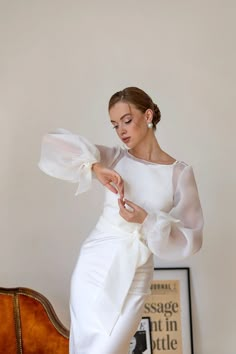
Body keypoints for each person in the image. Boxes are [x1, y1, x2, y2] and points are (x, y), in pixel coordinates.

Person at [38, 87, 203, 354]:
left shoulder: (179, 173)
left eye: (127, 120)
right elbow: (52, 145)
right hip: (93, 265)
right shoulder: (113, 157)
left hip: (136, 271)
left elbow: (192, 237)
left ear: (147, 115)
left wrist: (147, 221)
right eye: (115, 125)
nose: (121, 131)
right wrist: (94, 167)